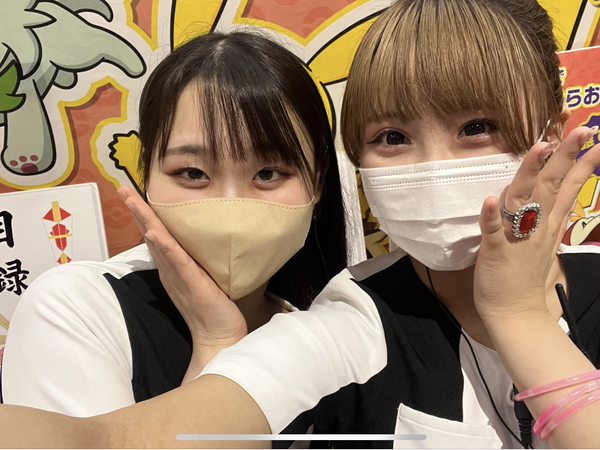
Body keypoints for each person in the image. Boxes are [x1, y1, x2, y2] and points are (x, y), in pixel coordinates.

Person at [1, 0, 600, 448]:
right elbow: (105, 439)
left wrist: (520, 316)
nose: (433, 166)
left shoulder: (297, 306)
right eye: (392, 137)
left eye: (477, 128)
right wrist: (217, 343)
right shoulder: (349, 318)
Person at [0, 31, 347, 417]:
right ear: (146, 177)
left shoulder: (322, 335)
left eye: (268, 173)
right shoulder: (74, 308)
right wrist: (217, 342)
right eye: (193, 172)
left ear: (317, 183)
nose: (229, 213)